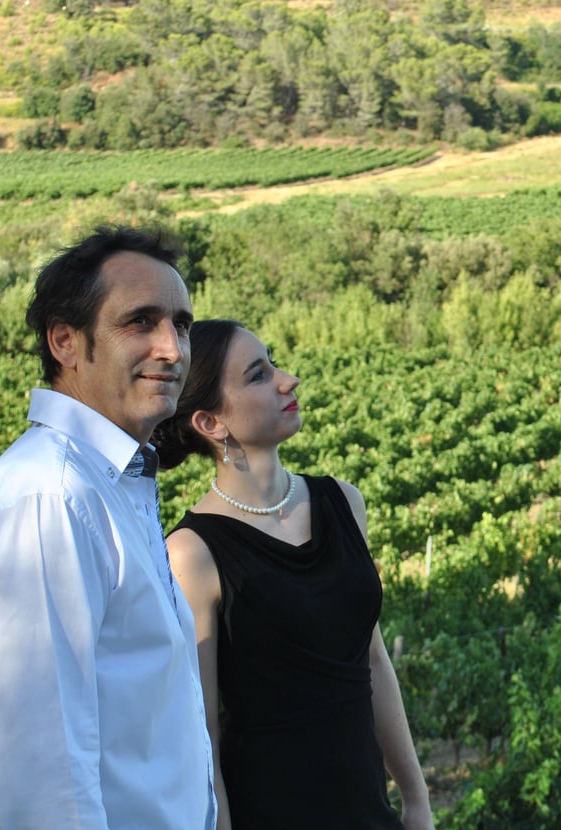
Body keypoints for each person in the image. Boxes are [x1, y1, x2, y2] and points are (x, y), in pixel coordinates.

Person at [0, 226, 216, 830]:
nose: (172, 349)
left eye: (181, 325)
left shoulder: (107, 484)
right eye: (140, 322)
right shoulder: (49, 500)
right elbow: (45, 782)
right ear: (65, 341)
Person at [153, 319, 435, 830]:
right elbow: (202, 734)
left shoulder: (343, 502)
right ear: (211, 423)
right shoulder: (192, 554)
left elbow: (372, 659)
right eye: (258, 375)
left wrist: (416, 798)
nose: (289, 380)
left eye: (274, 364)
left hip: (368, 810)